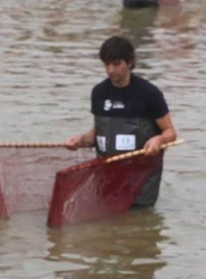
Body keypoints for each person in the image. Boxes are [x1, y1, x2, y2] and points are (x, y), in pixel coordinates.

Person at [64, 35, 177, 207]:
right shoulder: (99, 92)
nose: (110, 70)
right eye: (106, 64)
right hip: (108, 179)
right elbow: (98, 132)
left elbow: (171, 133)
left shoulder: (149, 93)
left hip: (140, 181)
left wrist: (158, 139)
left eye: (116, 64)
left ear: (130, 62)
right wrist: (80, 140)